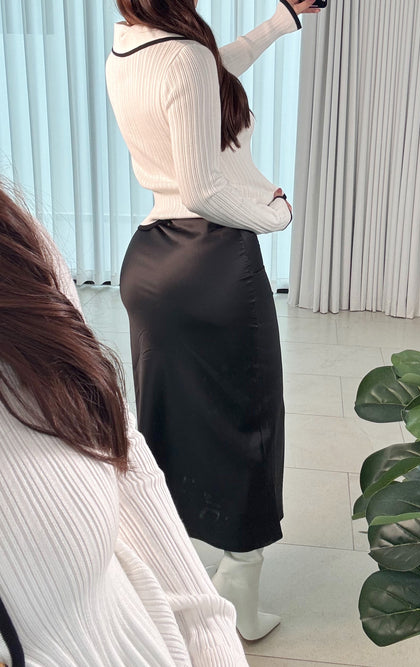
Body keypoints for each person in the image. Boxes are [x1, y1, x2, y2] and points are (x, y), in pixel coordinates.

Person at [105, 0, 318, 641]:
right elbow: (201, 188)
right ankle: (242, 601)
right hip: (210, 262)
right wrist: (273, 213)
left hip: (151, 266)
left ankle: (173, 578)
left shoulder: (130, 45)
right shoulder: (185, 57)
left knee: (172, 426)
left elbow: (206, 73)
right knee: (248, 421)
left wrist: (281, 21)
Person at [0, 185, 248, 666]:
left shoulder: (14, 243)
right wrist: (274, 212)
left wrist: (207, 627)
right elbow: (206, 183)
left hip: (136, 638)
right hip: (206, 253)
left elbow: (110, 431)